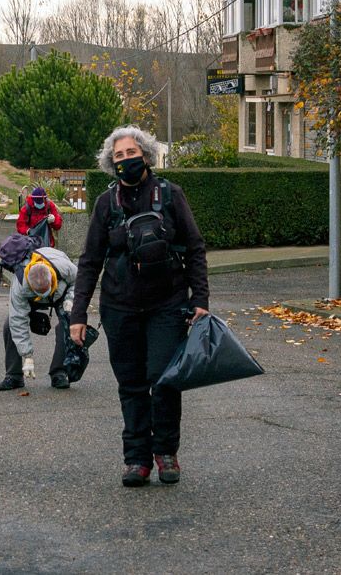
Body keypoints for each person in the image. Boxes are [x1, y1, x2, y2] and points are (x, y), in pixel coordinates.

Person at [69, 125, 209, 488]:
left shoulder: (169, 194)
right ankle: (136, 459)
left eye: (132, 153)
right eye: (119, 156)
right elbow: (89, 262)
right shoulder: (106, 203)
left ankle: (165, 453)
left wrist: (201, 301)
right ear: (110, 163)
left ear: (145, 155)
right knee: (131, 385)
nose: (126, 160)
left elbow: (194, 248)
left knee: (164, 381)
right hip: (120, 308)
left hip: (167, 305)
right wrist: (78, 315)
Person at [0, 246, 77, 392]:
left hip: (61, 294)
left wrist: (70, 300)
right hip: (30, 297)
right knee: (9, 325)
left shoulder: (65, 267)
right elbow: (18, 319)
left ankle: (59, 372)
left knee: (69, 323)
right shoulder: (20, 284)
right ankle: (14, 375)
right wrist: (27, 356)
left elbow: (79, 280)